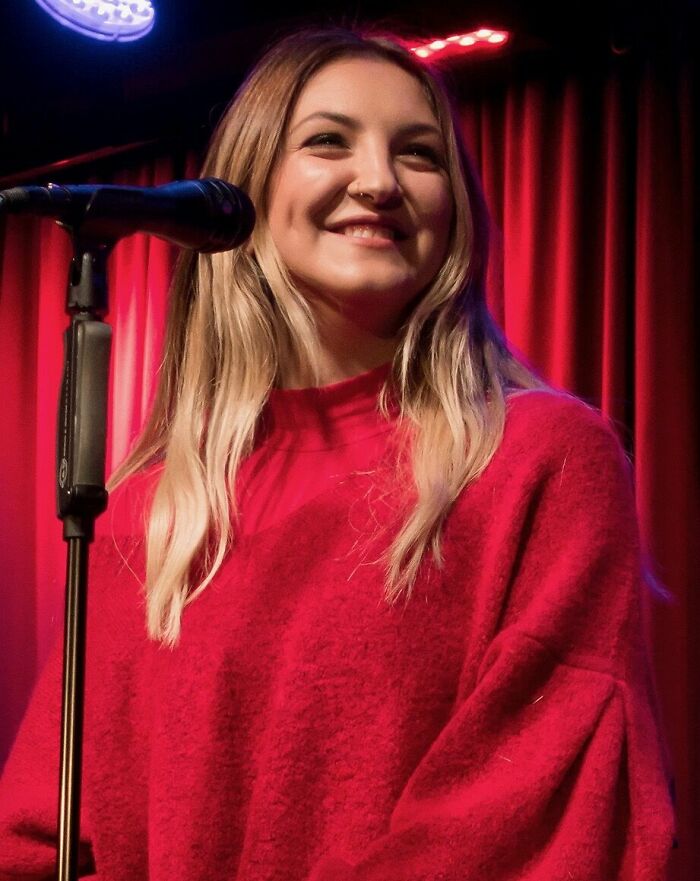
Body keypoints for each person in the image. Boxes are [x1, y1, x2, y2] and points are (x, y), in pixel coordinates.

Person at [0, 25, 676, 881]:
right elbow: (40, 831)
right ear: (241, 191)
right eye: (328, 141)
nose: (379, 181)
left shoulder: (543, 460)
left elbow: (535, 822)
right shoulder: (152, 509)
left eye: (420, 154)